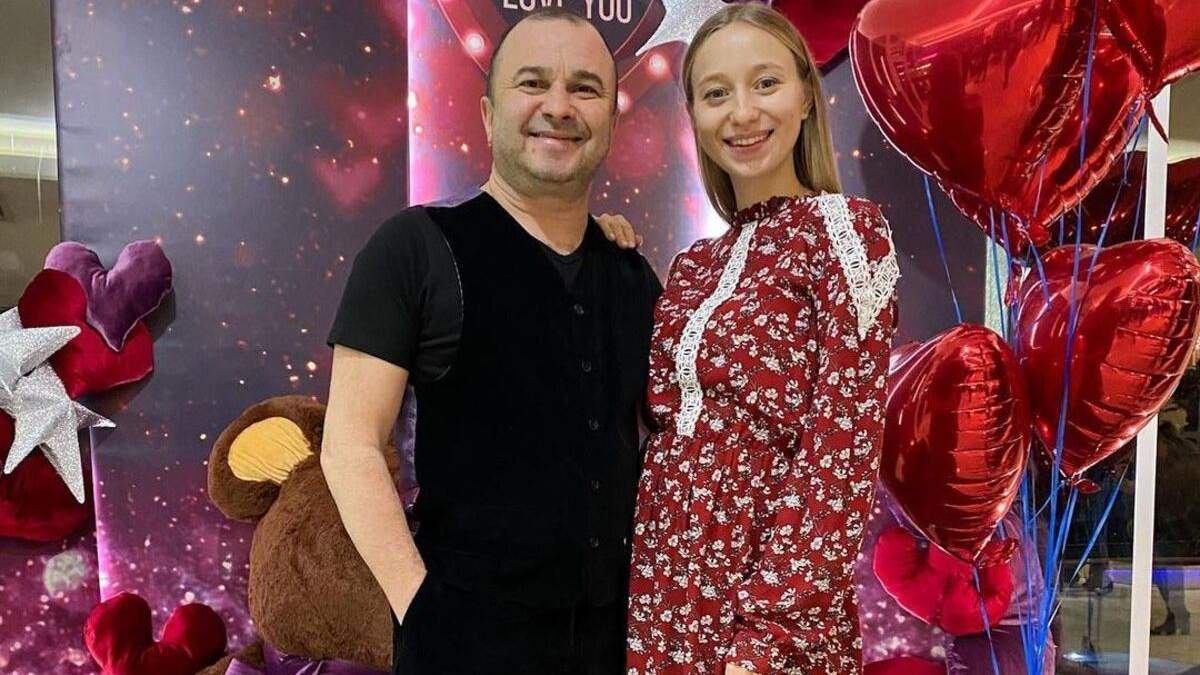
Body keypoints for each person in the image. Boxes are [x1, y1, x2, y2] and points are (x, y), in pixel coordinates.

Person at [321, 9, 661, 674]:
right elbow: (350, 446)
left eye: (585, 88)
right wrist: (422, 609)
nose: (558, 107)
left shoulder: (635, 275)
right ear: (487, 113)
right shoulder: (413, 249)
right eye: (532, 83)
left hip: (616, 651)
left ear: (611, 120)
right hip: (463, 648)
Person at [623, 5, 900, 673]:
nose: (742, 112)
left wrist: (769, 639)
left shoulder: (845, 233)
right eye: (716, 93)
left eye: (766, 83)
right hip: (663, 596)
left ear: (806, 95)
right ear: (694, 114)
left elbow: (841, 452)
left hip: (771, 610)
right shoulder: (694, 264)